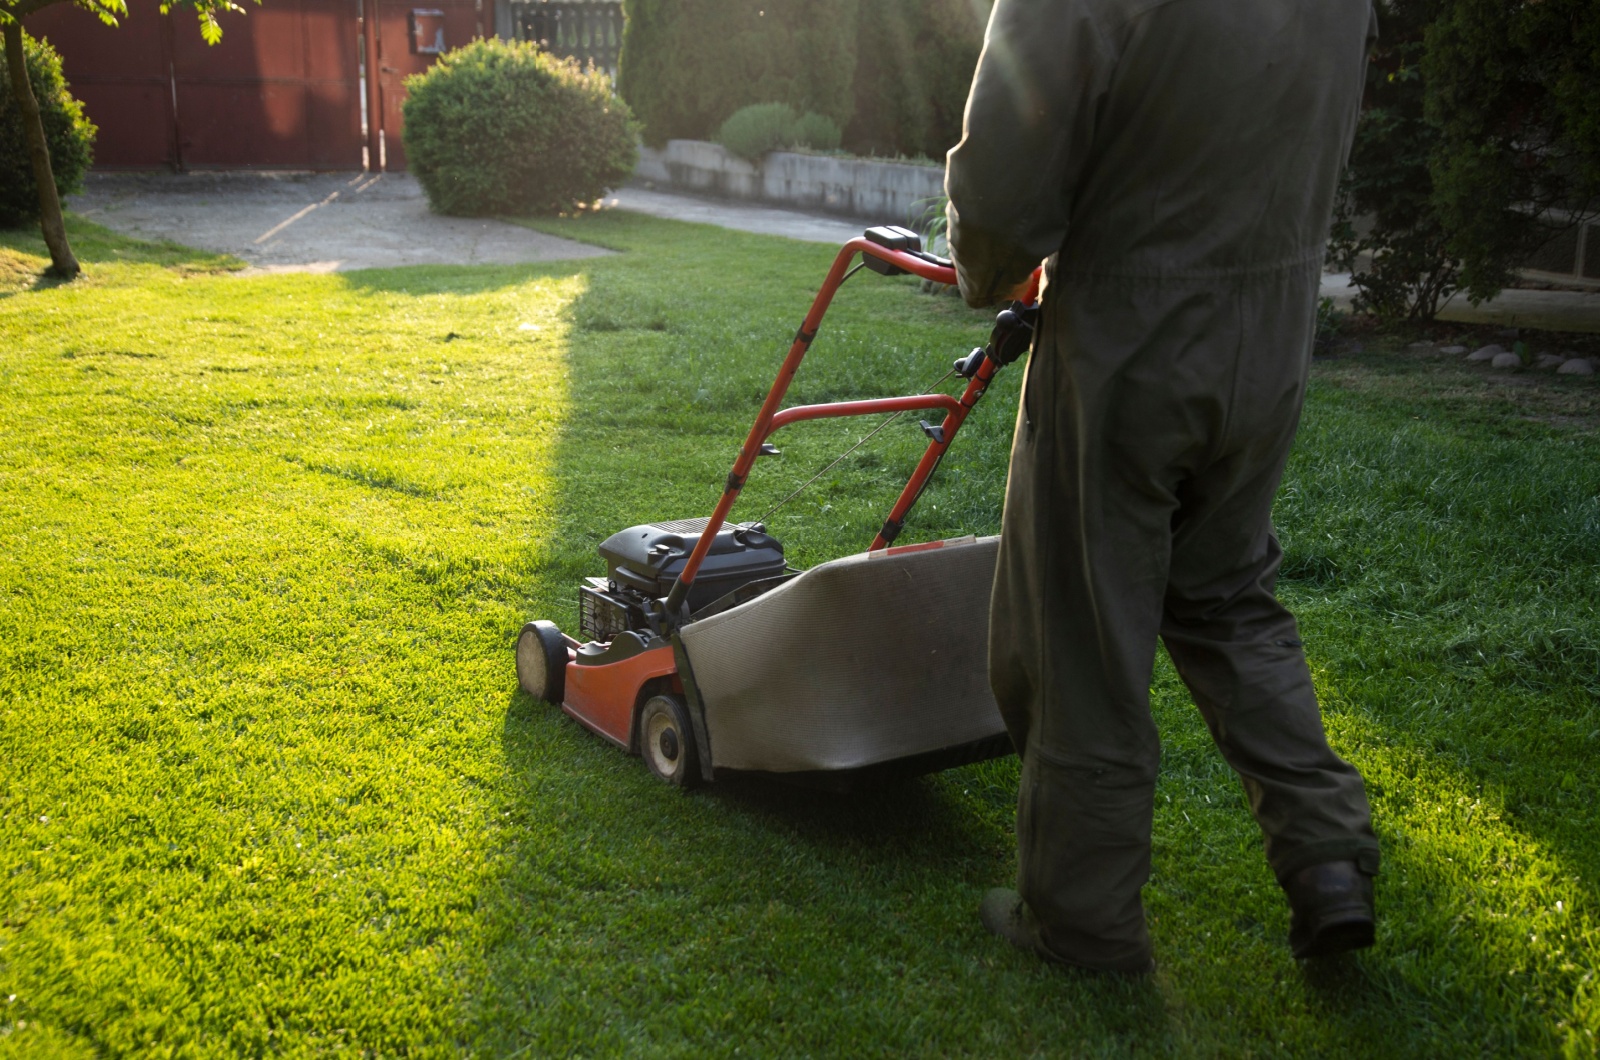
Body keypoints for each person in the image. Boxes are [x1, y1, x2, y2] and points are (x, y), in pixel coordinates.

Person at [945, 0, 1382, 973]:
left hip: (1130, 334)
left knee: (1082, 628)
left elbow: (1004, 184)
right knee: (1225, 591)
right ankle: (1327, 855)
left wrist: (986, 263)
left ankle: (1081, 919)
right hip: (1269, 330)